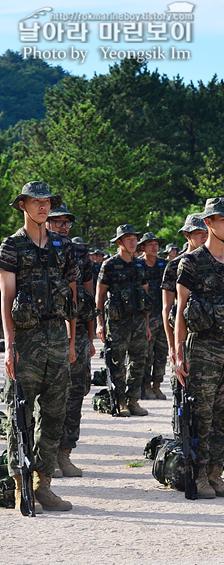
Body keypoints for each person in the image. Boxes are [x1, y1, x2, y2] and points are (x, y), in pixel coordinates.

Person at [1, 181, 78, 512]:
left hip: (57, 339)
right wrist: (9, 345)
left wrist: (72, 340)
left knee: (54, 414)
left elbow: (72, 297)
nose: (43, 206)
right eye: (36, 201)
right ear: (23, 205)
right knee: (19, 414)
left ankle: (43, 483)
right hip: (26, 339)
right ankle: (21, 485)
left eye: (47, 201)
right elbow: (5, 297)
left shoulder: (63, 246)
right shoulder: (11, 246)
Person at [173, 197, 224, 498]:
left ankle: (217, 473)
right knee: (201, 415)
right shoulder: (190, 263)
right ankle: (199, 474)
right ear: (208, 223)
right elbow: (180, 310)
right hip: (201, 349)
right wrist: (178, 354)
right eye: (223, 220)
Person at [46, 202, 96, 478]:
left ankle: (65, 454)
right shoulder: (38, 250)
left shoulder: (79, 252)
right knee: (50, 398)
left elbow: (84, 300)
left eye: (67, 222)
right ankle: (47, 456)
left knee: (75, 395)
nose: (63, 226)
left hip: (75, 337)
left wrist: (89, 337)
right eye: (58, 221)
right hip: (47, 335)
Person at [96, 224, 151, 417]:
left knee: (138, 361)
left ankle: (133, 400)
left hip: (138, 320)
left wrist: (147, 323)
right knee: (118, 362)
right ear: (119, 242)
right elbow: (100, 295)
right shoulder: (109, 265)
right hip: (118, 322)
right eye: (129, 239)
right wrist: (100, 323)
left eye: (135, 239)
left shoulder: (140, 265)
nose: (133, 242)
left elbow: (145, 296)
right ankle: (119, 401)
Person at [161, 214, 208, 395]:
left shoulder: (216, 263)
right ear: (188, 236)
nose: (204, 237)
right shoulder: (174, 266)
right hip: (185, 337)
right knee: (184, 394)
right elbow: (167, 308)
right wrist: (172, 345)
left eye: (206, 233)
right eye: (199, 233)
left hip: (209, 335)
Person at [137, 232, 168, 400]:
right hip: (146, 315)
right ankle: (146, 385)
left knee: (161, 352)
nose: (154, 247)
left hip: (162, 313)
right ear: (143, 247)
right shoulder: (138, 265)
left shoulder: (164, 265)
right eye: (150, 244)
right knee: (146, 352)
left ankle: (157, 384)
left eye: (156, 244)